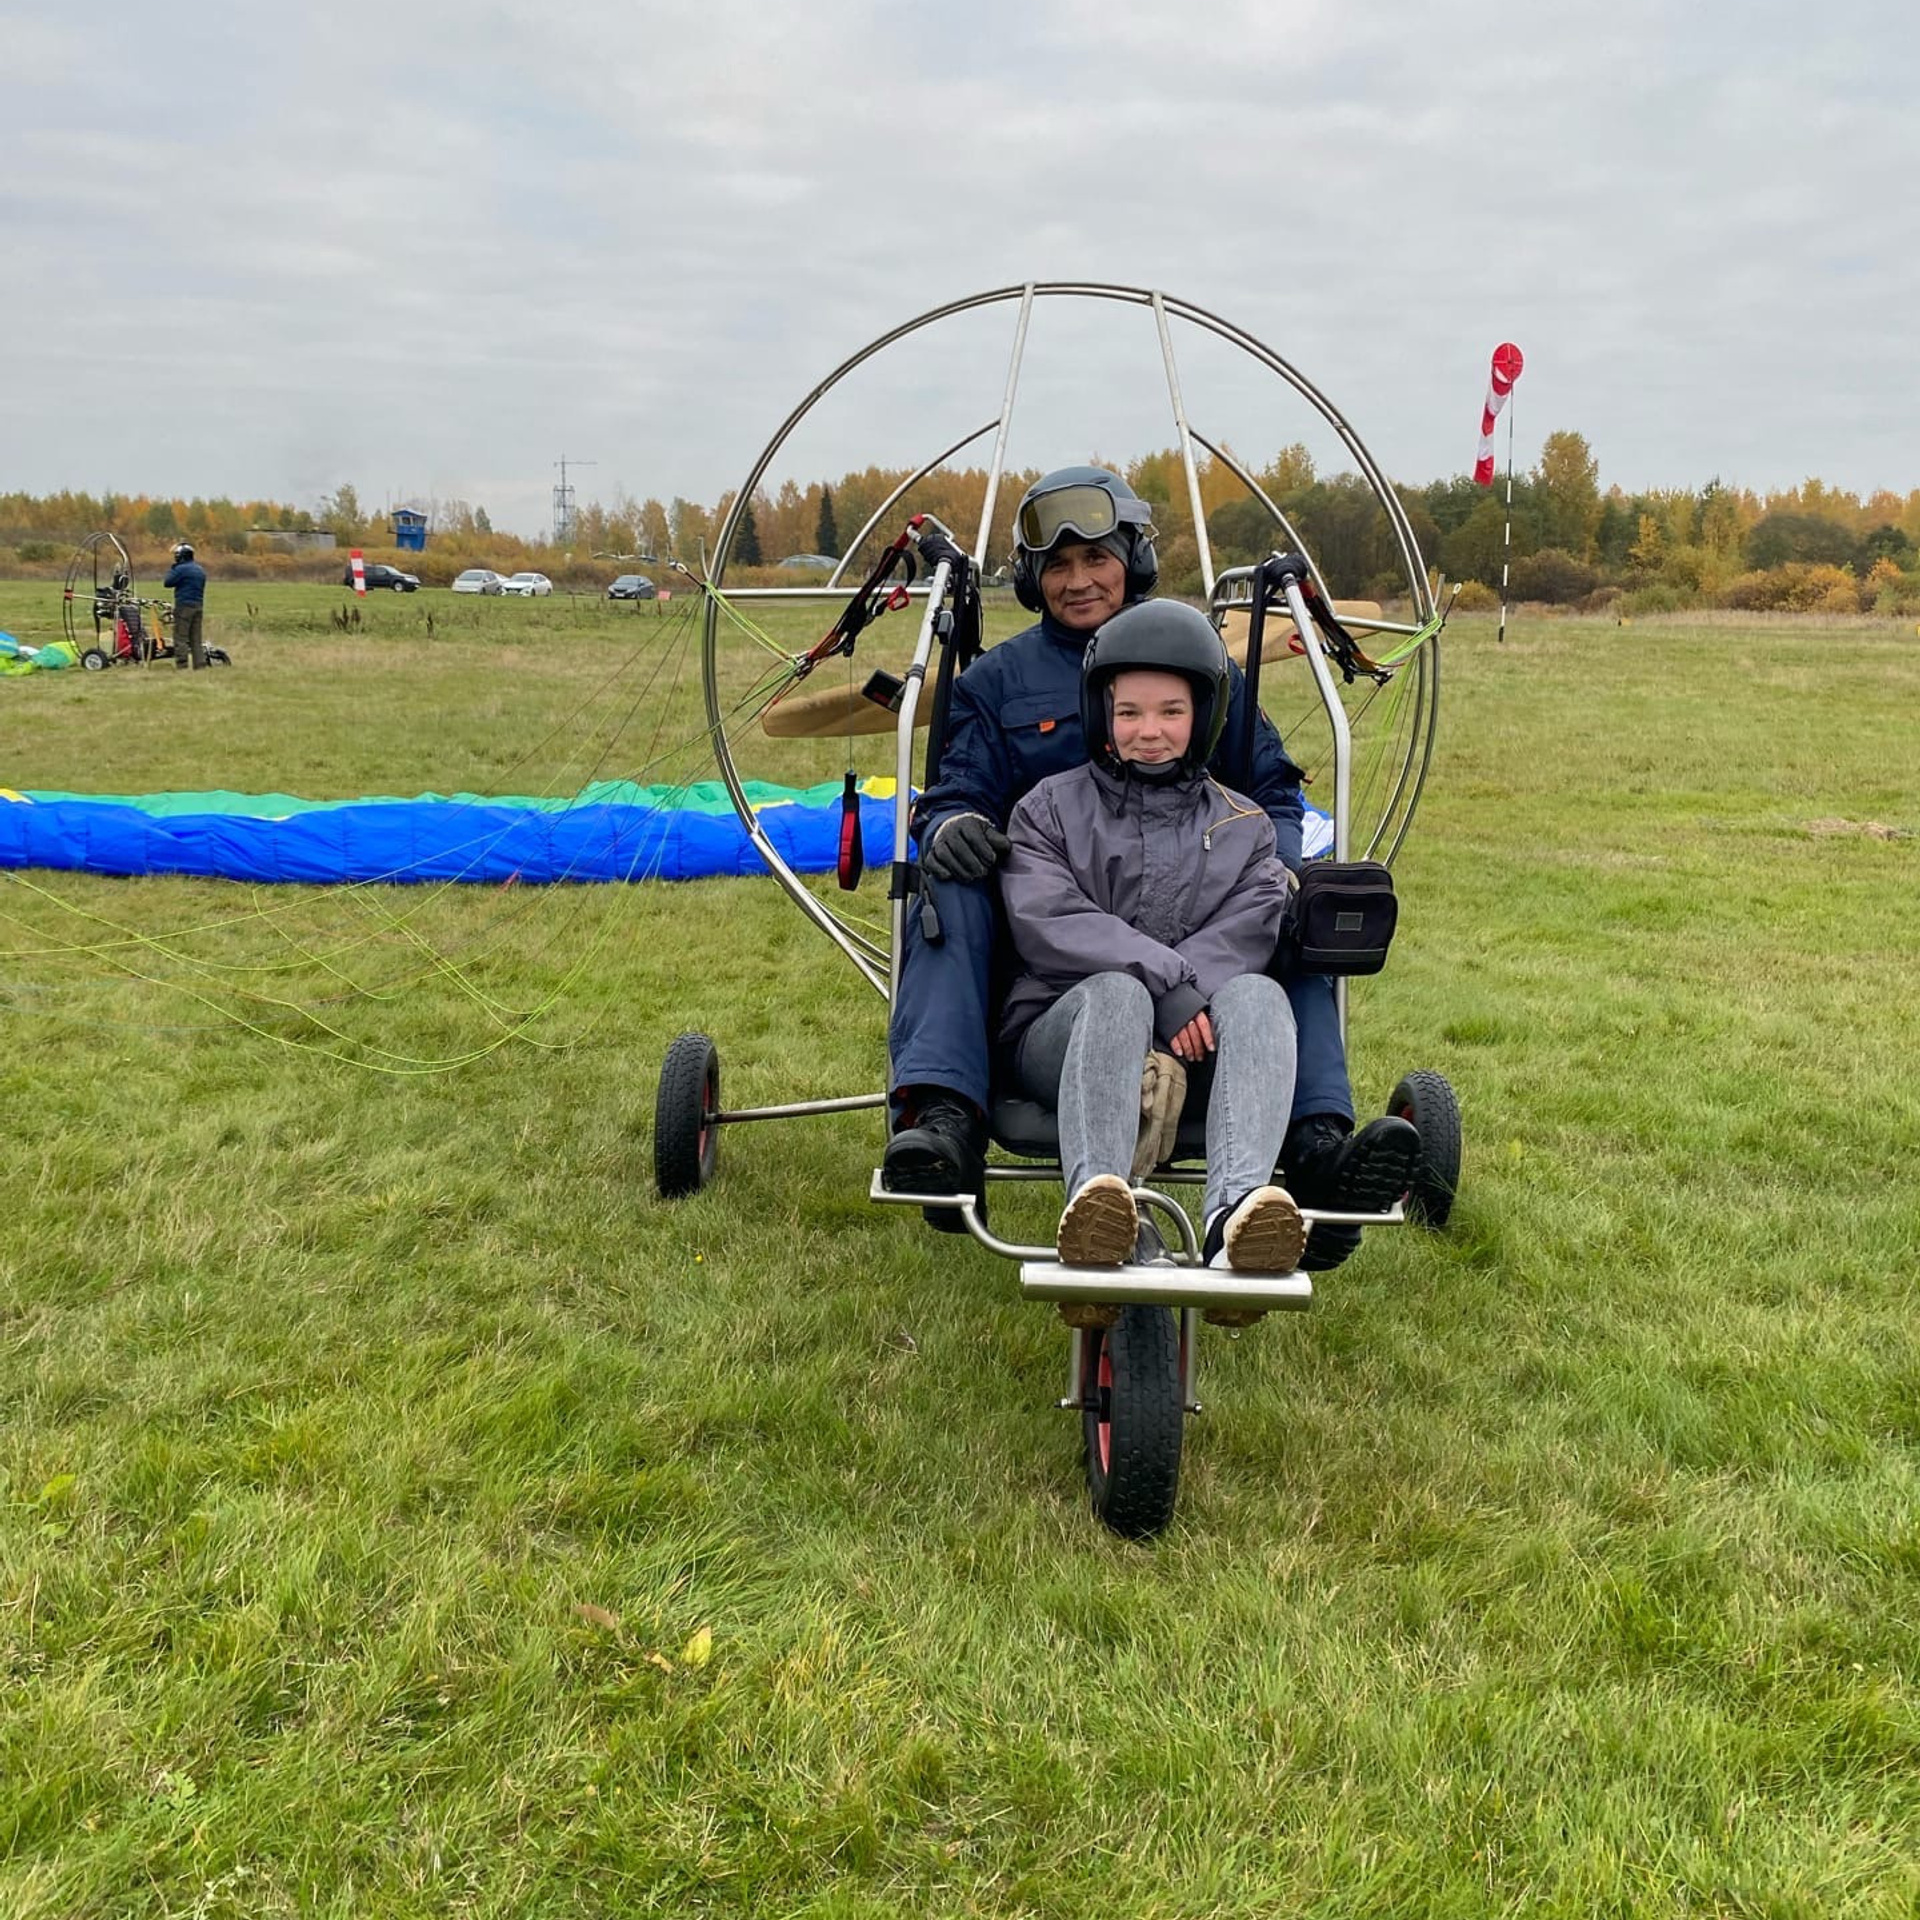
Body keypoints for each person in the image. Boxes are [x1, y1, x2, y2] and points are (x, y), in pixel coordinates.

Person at [881, 465, 1415, 1268]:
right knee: (948, 880)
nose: (1078, 580)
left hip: (1199, 925)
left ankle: (1314, 1148)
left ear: (1133, 558)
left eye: (1096, 558)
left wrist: (1270, 872)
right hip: (1053, 947)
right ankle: (947, 1115)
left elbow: (1271, 792)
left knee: (1290, 908)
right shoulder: (1001, 694)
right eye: (1058, 565)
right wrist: (954, 819)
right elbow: (963, 797)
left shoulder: (1197, 663)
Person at [1002, 601, 1308, 1290]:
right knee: (1118, 993)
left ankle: (1235, 1218)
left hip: (1197, 1043)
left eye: (1171, 712)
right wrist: (1165, 985)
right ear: (1101, 715)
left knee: (1259, 993)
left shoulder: (1245, 825)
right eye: (1129, 712)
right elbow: (1047, 917)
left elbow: (1253, 923)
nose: (1149, 732)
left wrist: (1182, 997)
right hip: (1064, 1031)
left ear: (1204, 717)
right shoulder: (1047, 810)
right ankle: (1103, 1206)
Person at [163, 541, 209, 670]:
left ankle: (182, 665)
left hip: (184, 606)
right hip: (198, 606)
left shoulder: (181, 569)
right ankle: (200, 664)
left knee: (180, 637)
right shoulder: (200, 569)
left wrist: (174, 567)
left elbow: (167, 582)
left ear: (180, 556)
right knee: (196, 638)